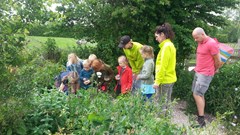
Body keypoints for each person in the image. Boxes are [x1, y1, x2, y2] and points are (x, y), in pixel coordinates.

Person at [191, 27, 221, 127]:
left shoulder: (211, 43)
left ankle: (201, 120)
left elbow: (218, 60)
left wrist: (215, 69)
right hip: (198, 71)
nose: (195, 40)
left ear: (202, 34)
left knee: (197, 94)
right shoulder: (201, 42)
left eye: (196, 37)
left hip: (206, 73)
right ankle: (201, 121)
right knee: (200, 94)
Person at [153, 23, 177, 110]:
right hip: (170, 78)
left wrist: (157, 81)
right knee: (167, 102)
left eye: (157, 36)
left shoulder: (166, 47)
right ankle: (166, 121)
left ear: (162, 34)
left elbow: (163, 66)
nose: (156, 39)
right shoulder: (170, 45)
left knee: (161, 104)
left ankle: (160, 121)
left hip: (164, 80)